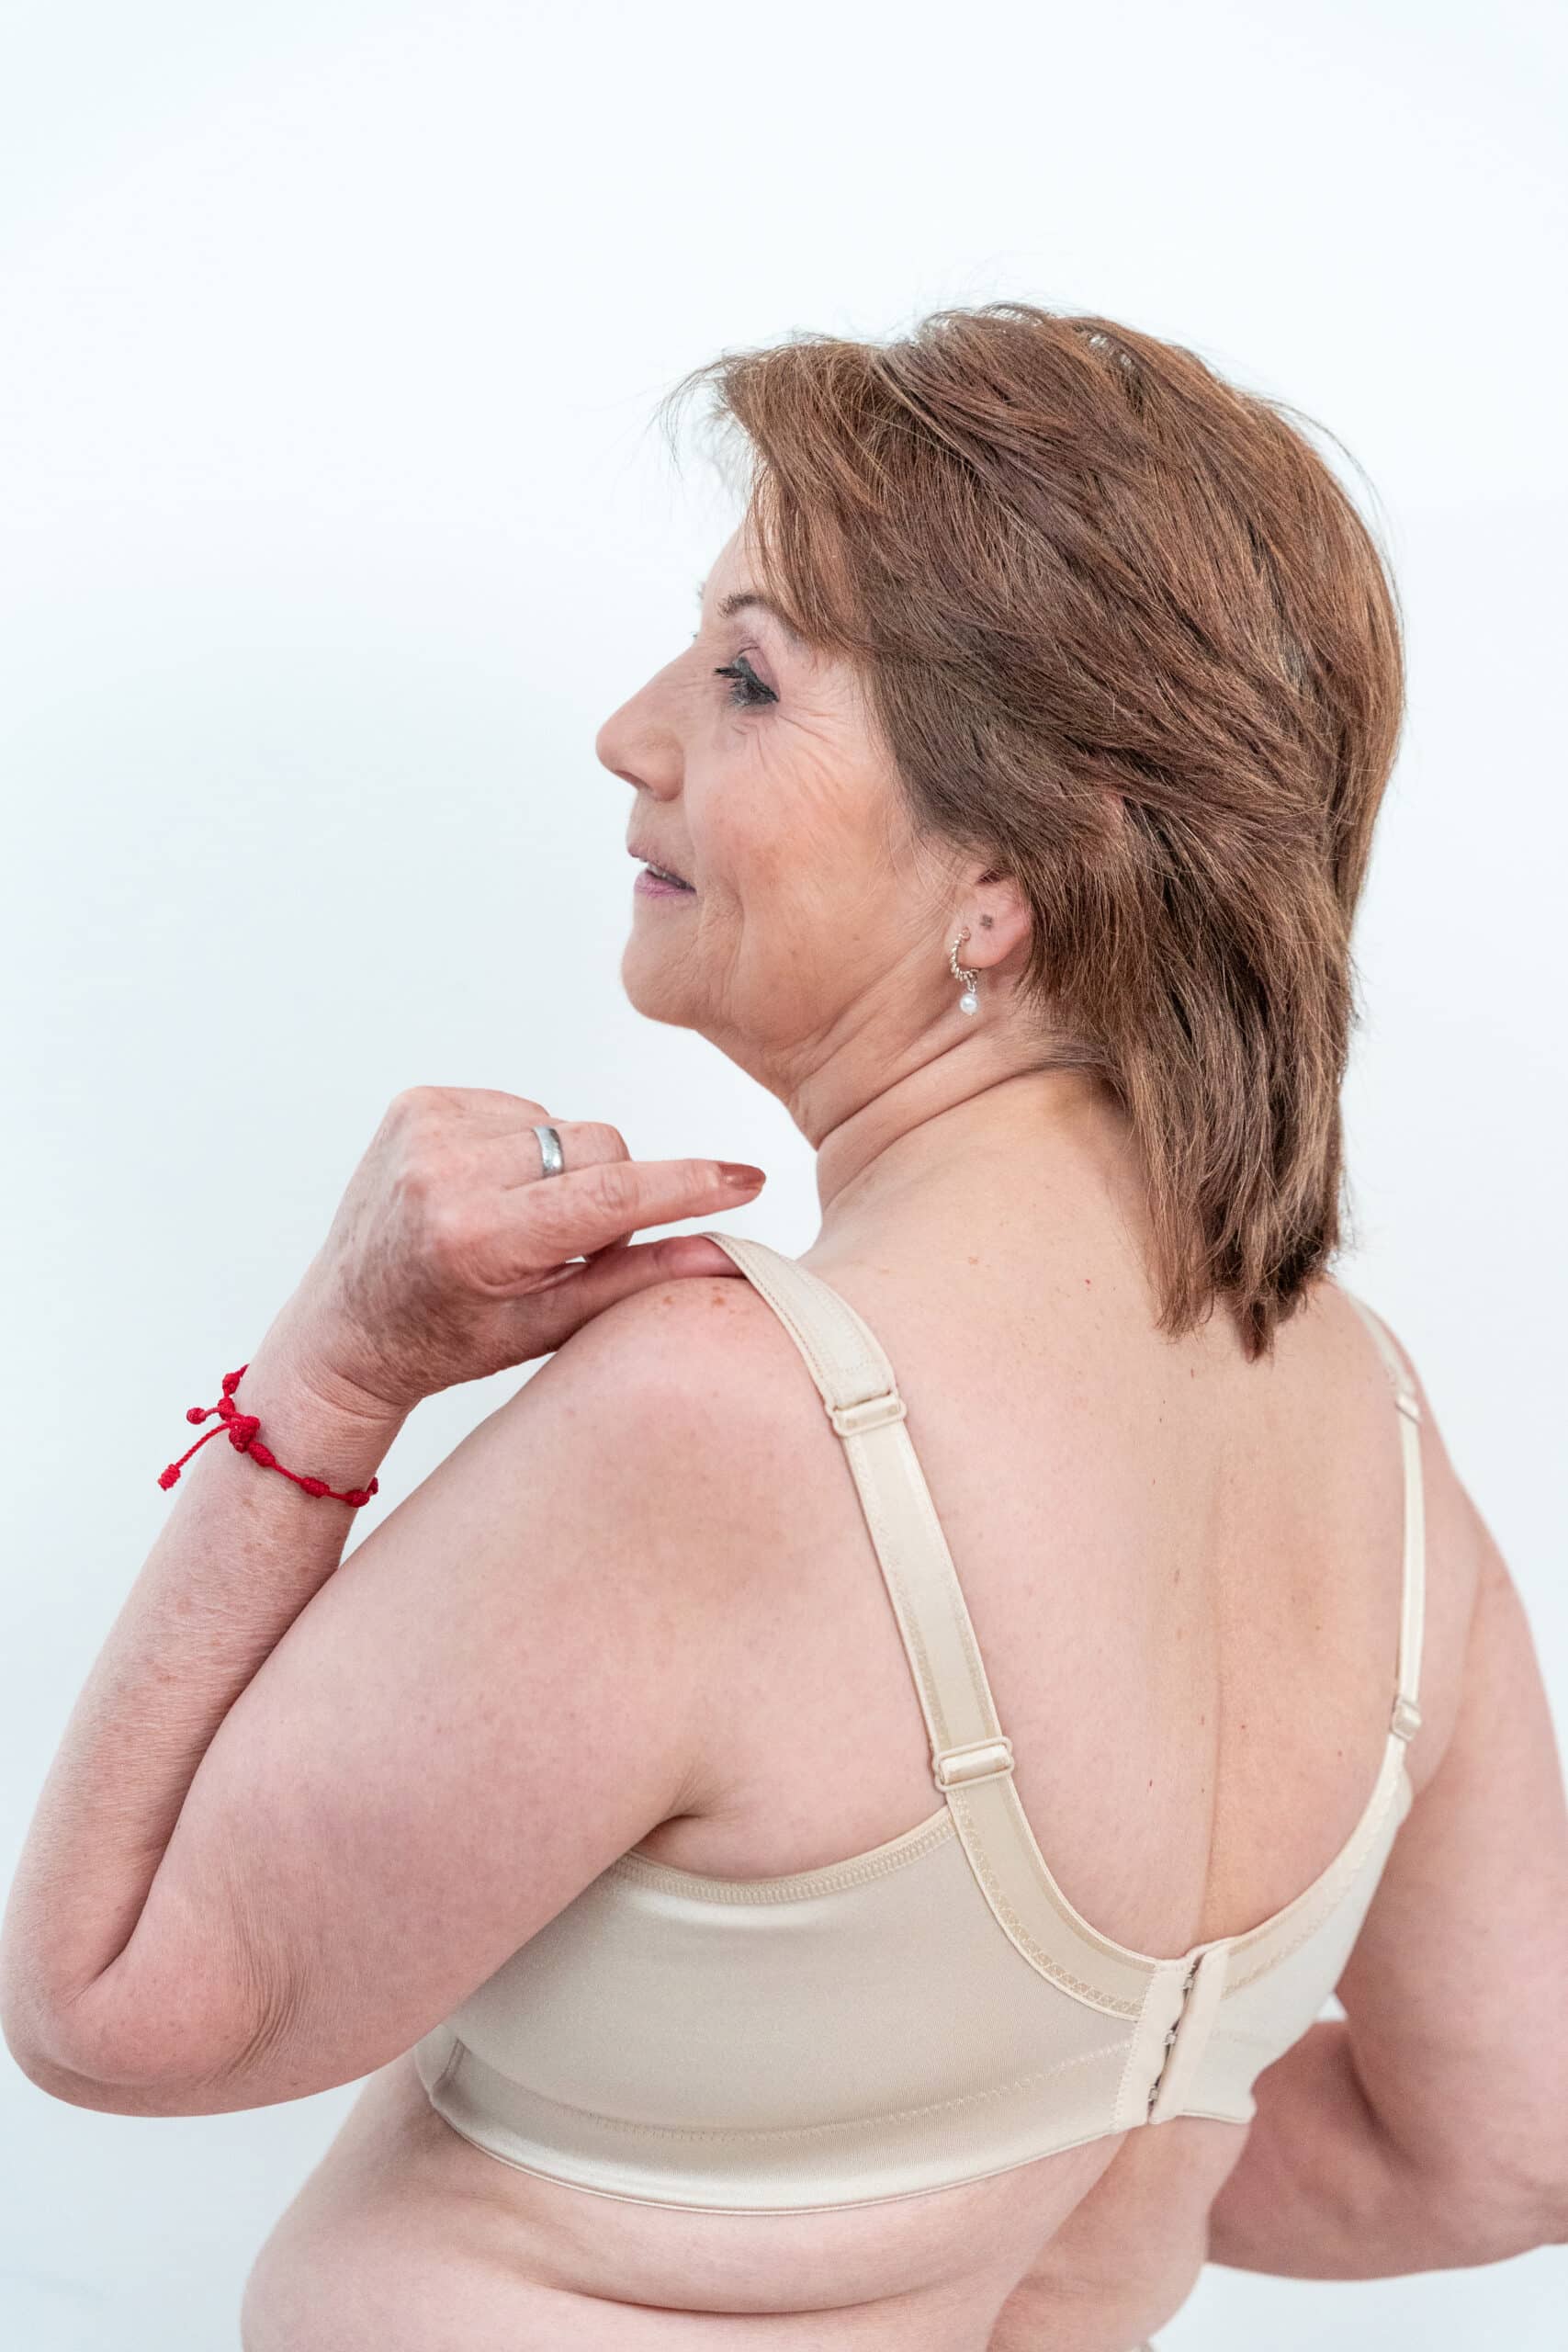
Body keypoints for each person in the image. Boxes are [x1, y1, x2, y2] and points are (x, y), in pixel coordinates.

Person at [5, 305, 1565, 2352]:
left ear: (1014, 869)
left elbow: (116, 2003)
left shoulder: (728, 1421)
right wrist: (958, 2171)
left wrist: (334, 1373)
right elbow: (1505, 2145)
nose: (630, 732)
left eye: (747, 677)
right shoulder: (1373, 1431)